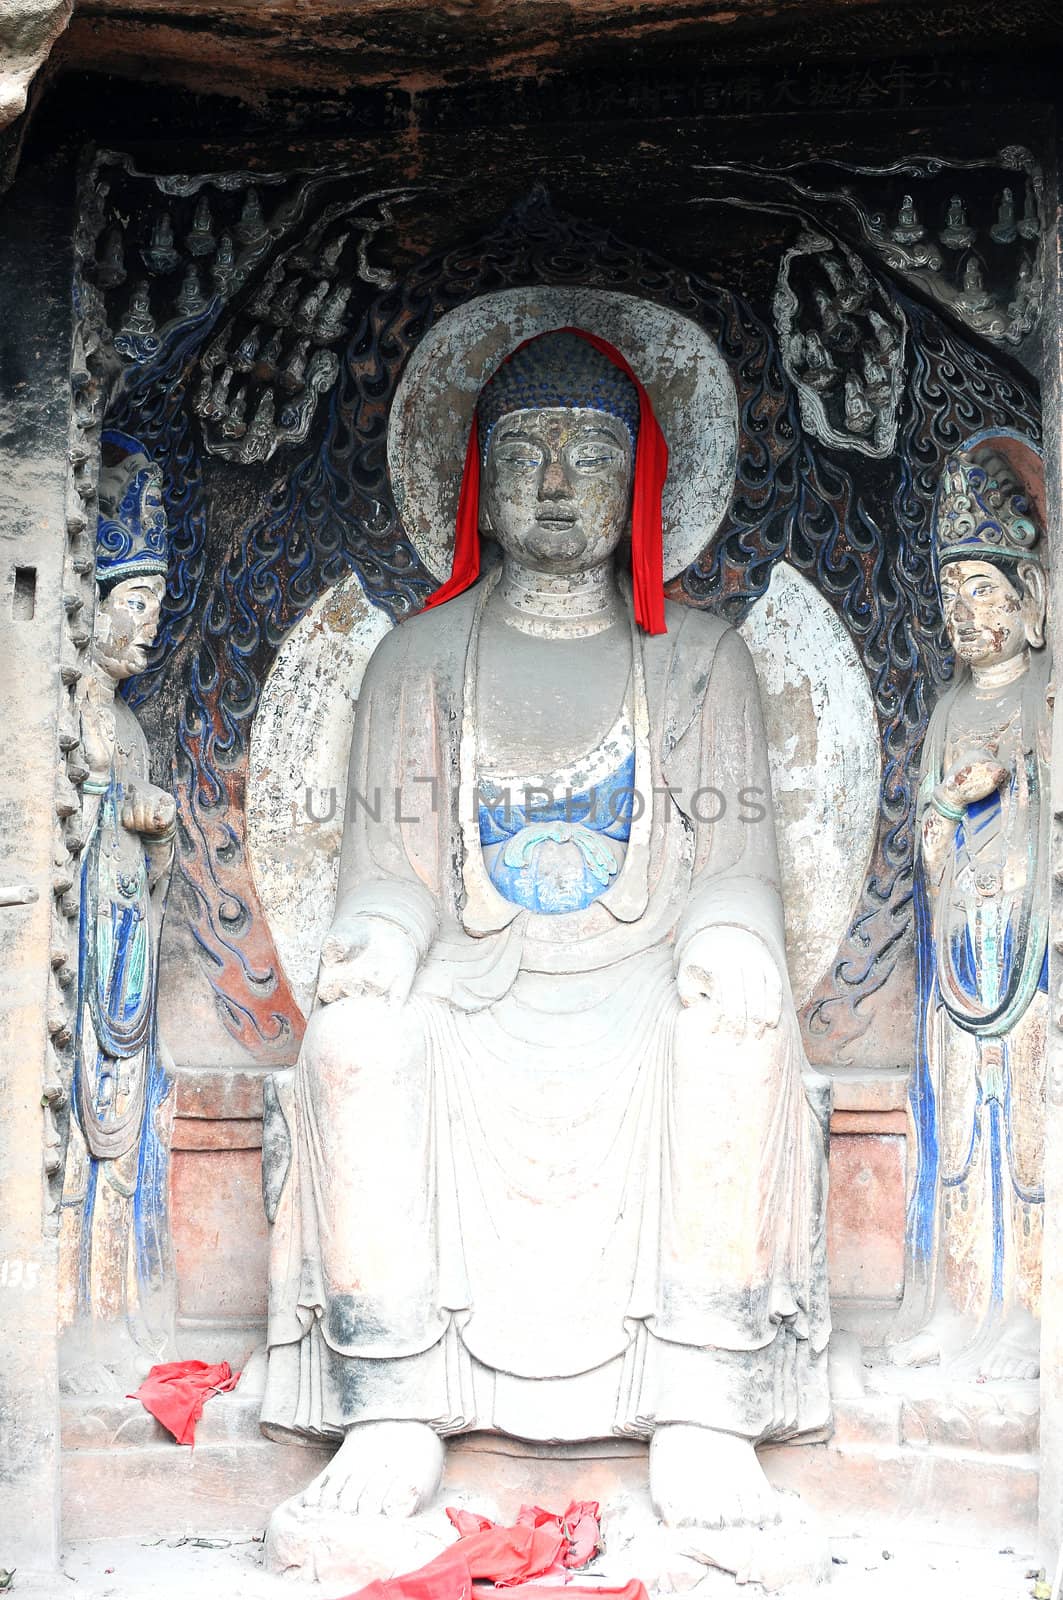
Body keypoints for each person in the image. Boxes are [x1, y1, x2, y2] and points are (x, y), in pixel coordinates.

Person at [262, 329, 830, 1533]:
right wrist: (376, 941)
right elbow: (392, 872)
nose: (561, 483)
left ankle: (703, 1404)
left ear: (641, 481)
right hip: (476, 981)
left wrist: (729, 938)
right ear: (478, 477)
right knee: (358, 1043)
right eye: (527, 452)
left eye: (588, 453)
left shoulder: (702, 663)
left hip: (642, 977)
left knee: (733, 1033)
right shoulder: (417, 659)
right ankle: (393, 1402)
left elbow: (735, 871)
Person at [895, 444, 1048, 1381]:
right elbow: (926, 837)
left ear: (1029, 601)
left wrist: (1018, 780)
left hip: (1027, 969)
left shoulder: (1046, 695)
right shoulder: (948, 708)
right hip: (959, 963)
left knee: (1027, 1142)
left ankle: (1029, 1313)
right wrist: (952, 804)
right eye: (950, 591)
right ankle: (958, 1305)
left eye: (982, 588)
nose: (963, 610)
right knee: (957, 1143)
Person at [58, 432, 177, 1391]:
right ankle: (61, 1320)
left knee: (126, 1136)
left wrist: (157, 829)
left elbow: (148, 862)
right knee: (69, 1141)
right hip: (71, 963)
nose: (150, 629)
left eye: (156, 608)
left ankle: (114, 1312)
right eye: (135, 605)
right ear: (87, 606)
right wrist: (103, 805)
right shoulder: (57, 714)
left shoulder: (130, 726)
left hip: (125, 966)